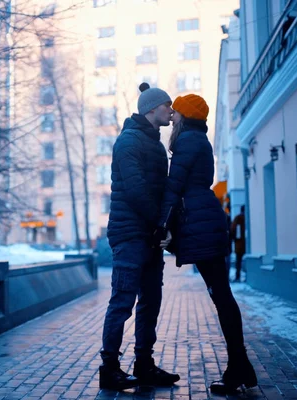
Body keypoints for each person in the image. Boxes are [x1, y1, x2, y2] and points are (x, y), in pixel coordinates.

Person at [154, 94, 257, 394]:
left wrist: (161, 226)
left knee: (221, 297)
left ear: (185, 116)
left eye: (176, 112)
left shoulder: (187, 142)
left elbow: (174, 188)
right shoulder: (200, 140)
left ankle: (238, 367)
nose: (171, 116)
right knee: (222, 296)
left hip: (201, 226)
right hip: (207, 222)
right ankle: (241, 366)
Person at [99, 83, 180, 391]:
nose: (171, 111)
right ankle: (109, 369)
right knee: (122, 302)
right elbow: (136, 191)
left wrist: (164, 226)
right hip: (130, 235)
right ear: (151, 109)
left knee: (150, 302)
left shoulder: (156, 145)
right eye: (167, 106)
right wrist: (159, 225)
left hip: (149, 236)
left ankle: (144, 365)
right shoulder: (128, 141)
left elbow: (160, 191)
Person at [230, 206, 246, 282]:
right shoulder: (246, 218)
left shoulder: (238, 218)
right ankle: (242, 275)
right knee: (240, 260)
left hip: (239, 244)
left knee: (238, 261)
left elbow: (232, 229)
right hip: (245, 244)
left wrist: (234, 239)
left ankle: (238, 275)